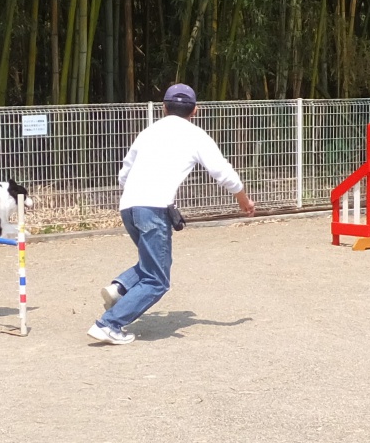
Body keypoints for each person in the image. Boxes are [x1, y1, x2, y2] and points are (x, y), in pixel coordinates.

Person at [87, 83, 256, 345]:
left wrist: (133, 194)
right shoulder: (196, 136)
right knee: (158, 280)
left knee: (154, 262)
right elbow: (222, 171)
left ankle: (120, 288)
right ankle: (109, 324)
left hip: (128, 206)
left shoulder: (148, 132)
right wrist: (243, 199)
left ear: (164, 107)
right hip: (153, 210)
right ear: (195, 111)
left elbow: (125, 171)